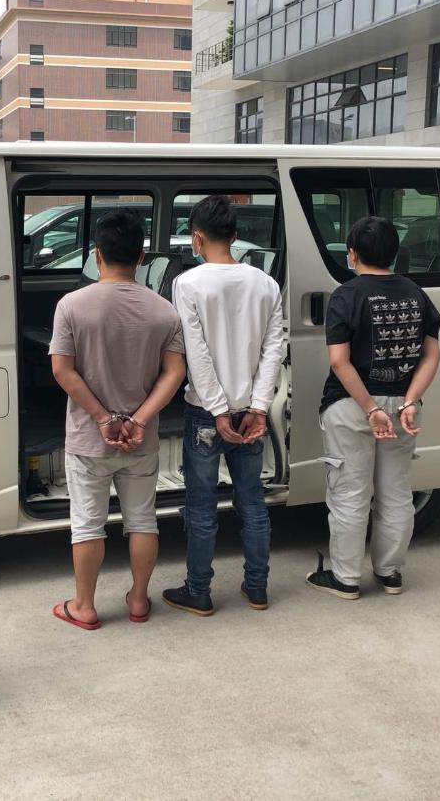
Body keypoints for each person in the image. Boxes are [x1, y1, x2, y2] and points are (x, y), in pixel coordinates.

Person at [49, 208, 186, 630]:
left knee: (87, 524)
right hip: (141, 441)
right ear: (141, 257)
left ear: (97, 255)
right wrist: (138, 420)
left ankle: (84, 606)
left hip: (89, 439)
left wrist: (102, 417)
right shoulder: (164, 311)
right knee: (142, 519)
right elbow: (174, 372)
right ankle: (139, 600)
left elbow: (62, 370)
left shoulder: (71, 306)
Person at [161, 195, 285, 616]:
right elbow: (273, 351)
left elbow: (195, 354)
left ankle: (199, 592)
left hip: (205, 414)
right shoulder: (265, 283)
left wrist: (217, 410)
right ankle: (257, 588)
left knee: (201, 507)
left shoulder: (188, 284)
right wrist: (258, 407)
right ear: (234, 235)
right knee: (253, 504)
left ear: (197, 238)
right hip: (250, 414)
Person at [307, 216, 440, 600]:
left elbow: (340, 362)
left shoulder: (346, 295)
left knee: (350, 493)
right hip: (402, 408)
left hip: (352, 406)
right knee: (396, 492)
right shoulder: (416, 294)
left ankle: (346, 579)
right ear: (394, 253)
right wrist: (410, 400)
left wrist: (370, 408)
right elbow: (431, 355)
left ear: (352, 254)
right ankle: (390, 573)